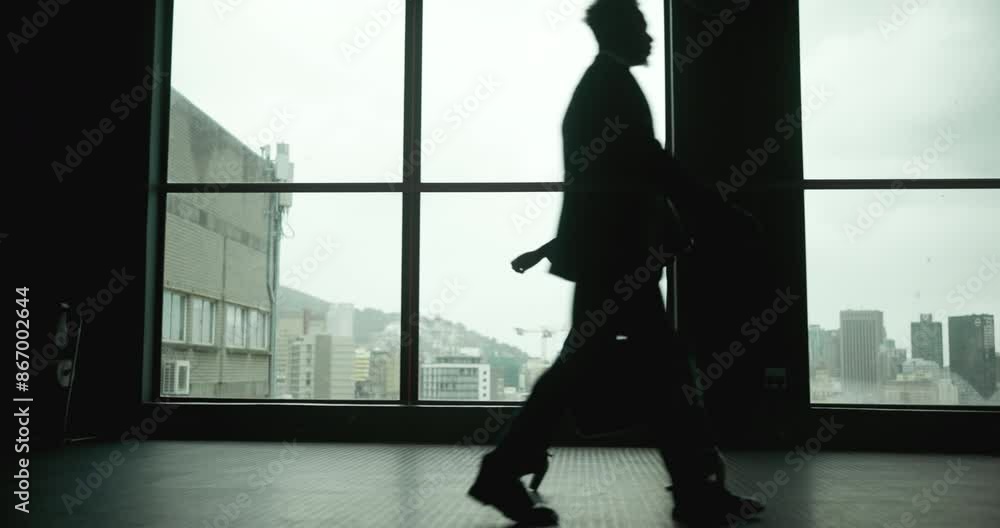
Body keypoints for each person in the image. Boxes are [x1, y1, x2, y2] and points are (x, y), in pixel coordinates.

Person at [467, 1, 765, 526]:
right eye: (643, 29)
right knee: (649, 373)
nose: (651, 38)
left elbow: (609, 182)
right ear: (622, 30)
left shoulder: (600, 87)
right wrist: (719, 214)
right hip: (619, 262)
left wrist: (559, 247)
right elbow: (648, 168)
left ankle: (505, 471)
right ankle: (693, 493)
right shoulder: (611, 89)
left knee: (635, 371)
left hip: (612, 259)